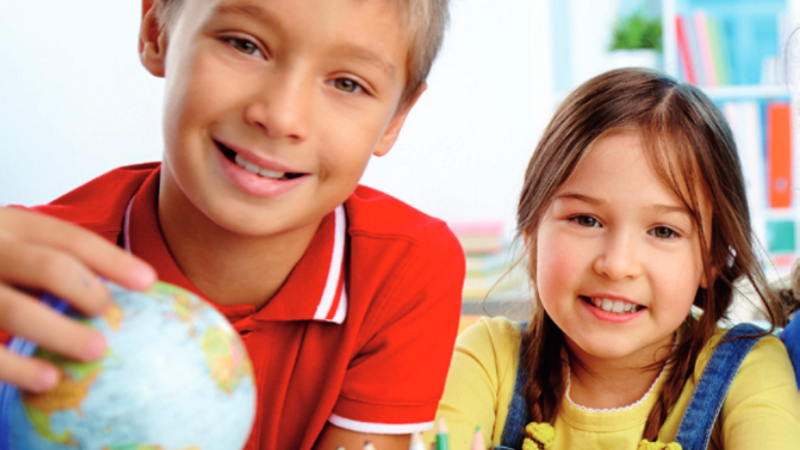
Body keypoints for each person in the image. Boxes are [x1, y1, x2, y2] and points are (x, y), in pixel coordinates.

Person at [0, 0, 465, 449]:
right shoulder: (20, 277)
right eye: (244, 45)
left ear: (397, 117)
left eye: (346, 83)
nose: (281, 117)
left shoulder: (406, 268)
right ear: (156, 29)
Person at [431, 68, 800, 450]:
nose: (617, 264)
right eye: (586, 220)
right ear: (531, 232)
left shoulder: (750, 370)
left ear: (712, 259)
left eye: (663, 231)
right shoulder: (486, 359)